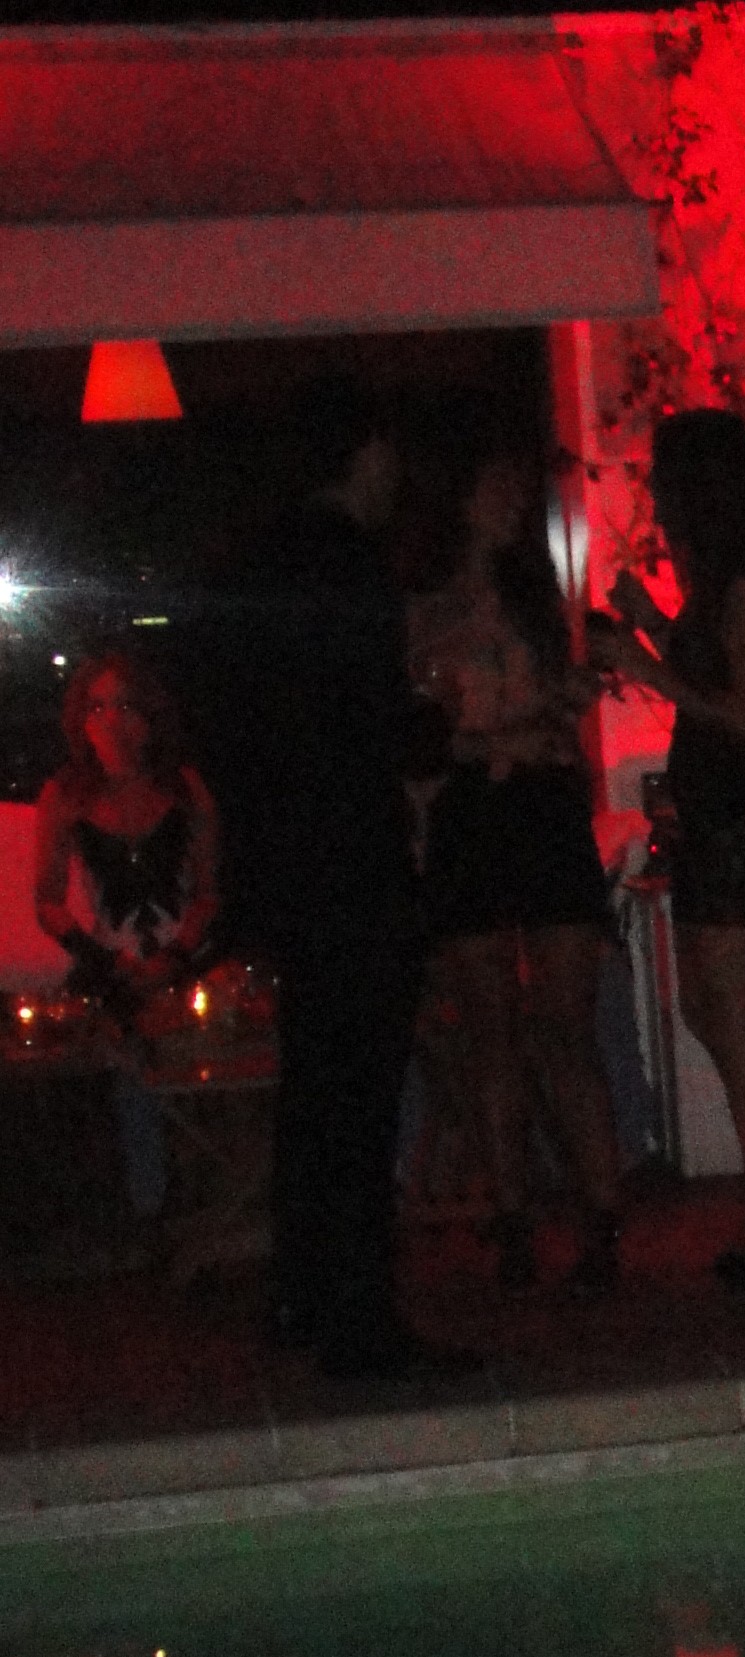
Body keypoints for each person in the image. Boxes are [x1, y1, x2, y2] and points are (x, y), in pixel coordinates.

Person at [218, 381, 460, 1382]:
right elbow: (368, 722)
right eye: (388, 453)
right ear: (364, 454)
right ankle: (361, 1316)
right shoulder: (352, 566)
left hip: (289, 865)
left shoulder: (259, 562)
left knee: (314, 1084)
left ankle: (303, 1290)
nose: (396, 472)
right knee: (360, 1092)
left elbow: (248, 721)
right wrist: (432, 720)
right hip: (353, 860)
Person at [593, 407, 745, 1282]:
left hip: (738, 817)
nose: (656, 498)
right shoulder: (724, 586)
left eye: (664, 481)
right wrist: (653, 624)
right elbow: (715, 676)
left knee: (730, 1012)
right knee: (710, 1009)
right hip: (717, 814)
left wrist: (650, 666)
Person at [409, 443, 622, 1291]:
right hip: (471, 808)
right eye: (493, 483)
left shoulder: (542, 598)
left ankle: (602, 1214)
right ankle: (512, 1218)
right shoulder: (425, 605)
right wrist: (496, 739)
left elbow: (560, 709)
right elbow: (420, 736)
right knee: (489, 1027)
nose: (509, 498)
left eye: (514, 487)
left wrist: (566, 703)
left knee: (565, 1023)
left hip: (542, 804)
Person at [30, 642, 220, 1238]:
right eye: (97, 706)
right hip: (109, 965)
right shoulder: (65, 796)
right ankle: (149, 1212)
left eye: (125, 705)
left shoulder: (185, 789)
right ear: (80, 720)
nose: (111, 719)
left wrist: (176, 953)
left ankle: (209, 1203)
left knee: (209, 1062)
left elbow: (209, 892)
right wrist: (106, 960)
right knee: (127, 1071)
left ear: (148, 715)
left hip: (185, 958)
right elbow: (47, 901)